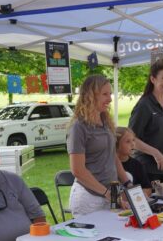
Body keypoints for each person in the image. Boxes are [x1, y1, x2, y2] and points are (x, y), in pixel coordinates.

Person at [67, 75, 131, 217]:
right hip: (88, 198)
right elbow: (77, 170)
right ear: (90, 96)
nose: (109, 99)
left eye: (110, 94)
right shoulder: (78, 127)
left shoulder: (105, 121)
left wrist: (127, 183)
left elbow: (112, 156)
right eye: (104, 94)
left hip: (110, 195)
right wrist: (106, 193)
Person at [128, 58, 163, 185]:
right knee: (150, 204)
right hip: (145, 169)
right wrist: (155, 153)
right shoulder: (144, 105)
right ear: (153, 79)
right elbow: (131, 140)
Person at [116, 127, 152, 197]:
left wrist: (142, 194)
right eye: (128, 141)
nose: (133, 144)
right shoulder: (107, 165)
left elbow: (147, 188)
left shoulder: (137, 165)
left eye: (133, 140)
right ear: (116, 145)